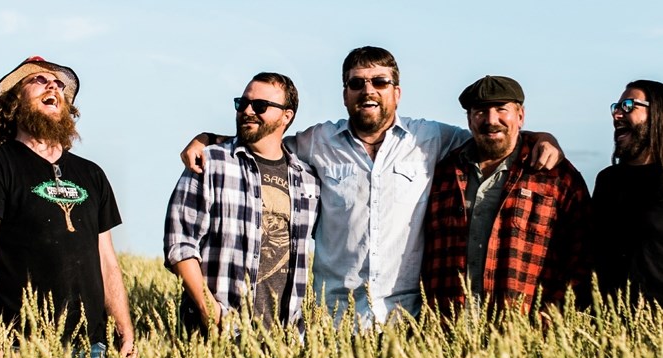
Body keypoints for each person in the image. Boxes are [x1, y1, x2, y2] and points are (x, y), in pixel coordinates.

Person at [180, 47, 563, 326]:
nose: (369, 91)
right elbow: (265, 140)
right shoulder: (317, 142)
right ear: (344, 93)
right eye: (357, 83)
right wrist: (208, 138)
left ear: (397, 91)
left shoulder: (430, 139)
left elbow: (491, 135)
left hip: (406, 321)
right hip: (332, 321)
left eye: (380, 82)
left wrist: (542, 137)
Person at [0, 56, 136, 358]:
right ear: (13, 102)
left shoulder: (92, 175)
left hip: (94, 346)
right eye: (37, 80)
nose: (53, 85)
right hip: (21, 347)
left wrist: (125, 329)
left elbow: (107, 260)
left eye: (57, 83)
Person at [164, 72, 319, 335]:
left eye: (260, 106)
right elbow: (179, 245)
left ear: (287, 116)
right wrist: (210, 312)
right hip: (220, 335)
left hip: (284, 341)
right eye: (242, 103)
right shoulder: (209, 163)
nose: (248, 111)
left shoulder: (308, 181)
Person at [422, 75, 592, 313]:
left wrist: (551, 320)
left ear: (520, 116)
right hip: (448, 331)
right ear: (469, 119)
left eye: (502, 109)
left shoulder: (554, 176)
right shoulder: (442, 174)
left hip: (524, 335)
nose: (492, 120)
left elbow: (581, 257)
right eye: (480, 111)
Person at [592, 80, 663, 304]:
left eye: (629, 106)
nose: (617, 115)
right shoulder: (608, 181)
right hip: (607, 326)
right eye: (617, 107)